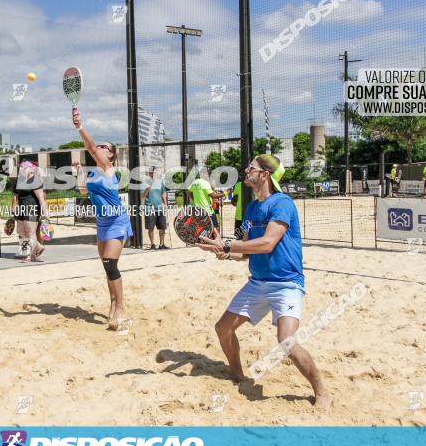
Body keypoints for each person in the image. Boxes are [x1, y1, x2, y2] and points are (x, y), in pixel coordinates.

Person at [198, 154, 330, 408]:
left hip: (287, 284)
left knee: (286, 341)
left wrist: (227, 242)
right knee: (223, 328)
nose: (246, 170)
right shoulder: (251, 207)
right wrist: (223, 251)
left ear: (265, 175)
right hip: (258, 282)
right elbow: (247, 250)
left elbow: (268, 243)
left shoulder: (282, 203)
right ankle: (236, 374)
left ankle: (321, 390)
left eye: (251, 168)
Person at [72, 108, 132, 330]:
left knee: (110, 263)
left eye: (104, 147)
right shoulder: (94, 173)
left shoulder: (108, 168)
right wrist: (78, 172)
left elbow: (88, 145)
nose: (99, 148)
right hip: (102, 223)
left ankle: (121, 307)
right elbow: (83, 192)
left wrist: (79, 126)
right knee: (107, 267)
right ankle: (113, 303)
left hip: (117, 220)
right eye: (100, 146)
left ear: (111, 155)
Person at [12, 161, 48, 262]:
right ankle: (37, 247)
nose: (20, 170)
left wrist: (44, 213)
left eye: (23, 168)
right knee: (20, 231)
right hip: (21, 209)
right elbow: (15, 197)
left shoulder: (35, 180)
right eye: (20, 168)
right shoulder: (19, 181)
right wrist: (13, 209)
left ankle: (31, 255)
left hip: (32, 208)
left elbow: (41, 198)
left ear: (29, 169)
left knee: (30, 232)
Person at [141, 167, 168, 250]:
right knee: (150, 227)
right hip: (149, 208)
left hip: (160, 208)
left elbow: (163, 193)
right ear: (149, 174)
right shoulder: (145, 183)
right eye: (151, 173)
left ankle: (161, 244)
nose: (153, 174)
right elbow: (142, 196)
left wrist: (165, 203)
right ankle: (152, 244)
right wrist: (147, 189)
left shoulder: (160, 182)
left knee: (163, 227)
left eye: (154, 173)